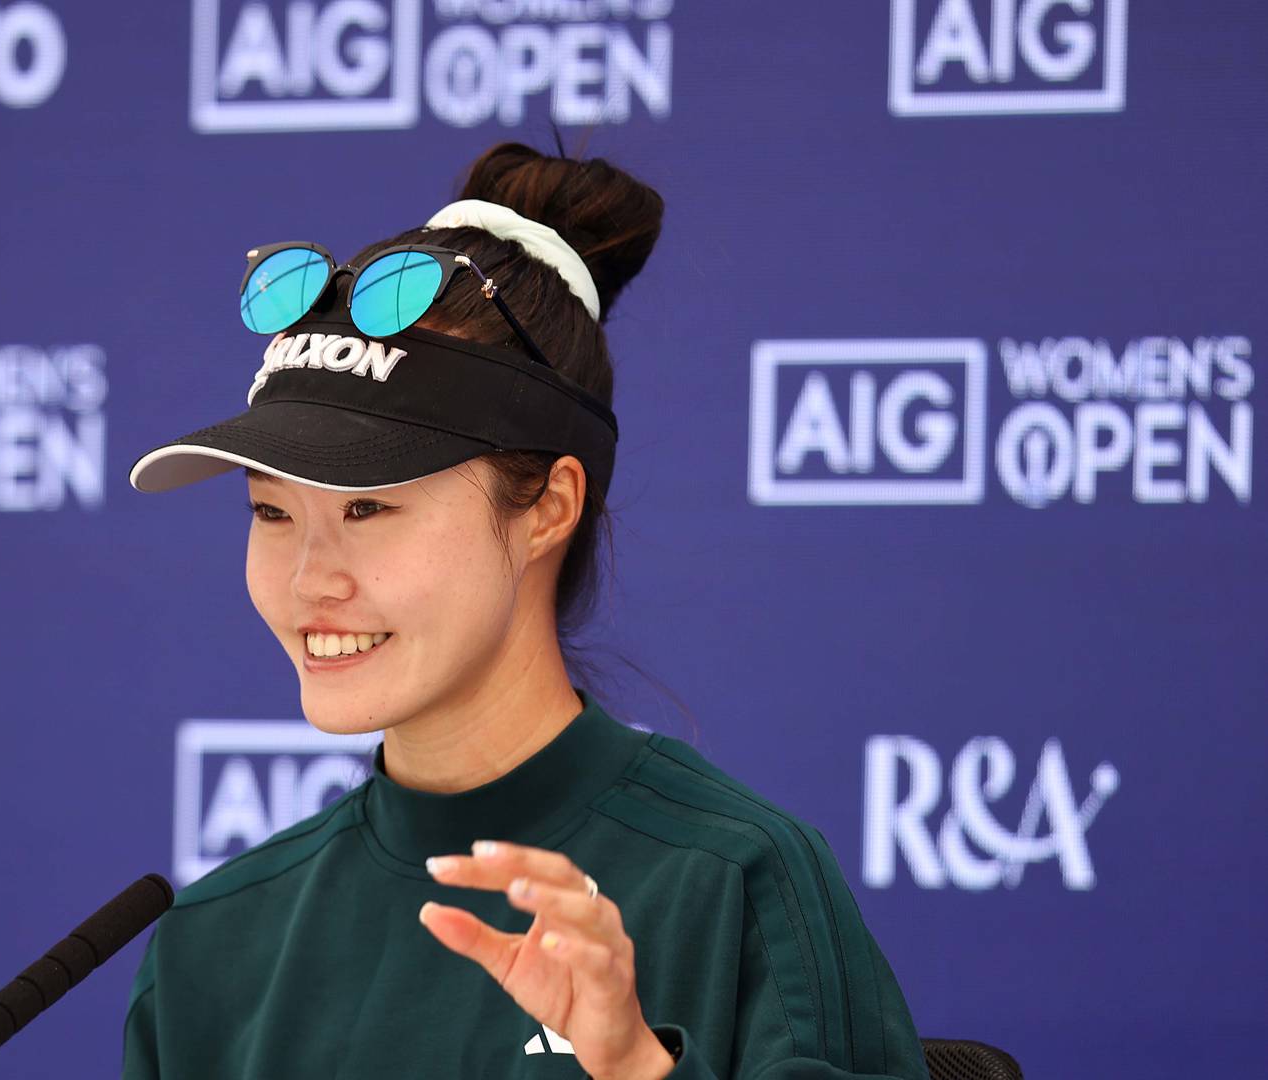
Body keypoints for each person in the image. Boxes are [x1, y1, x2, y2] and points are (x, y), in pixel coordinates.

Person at [120, 142, 930, 1080]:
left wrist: (634, 1066)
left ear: (549, 506)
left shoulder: (735, 879)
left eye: (368, 507)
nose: (310, 580)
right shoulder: (209, 945)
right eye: (271, 511)